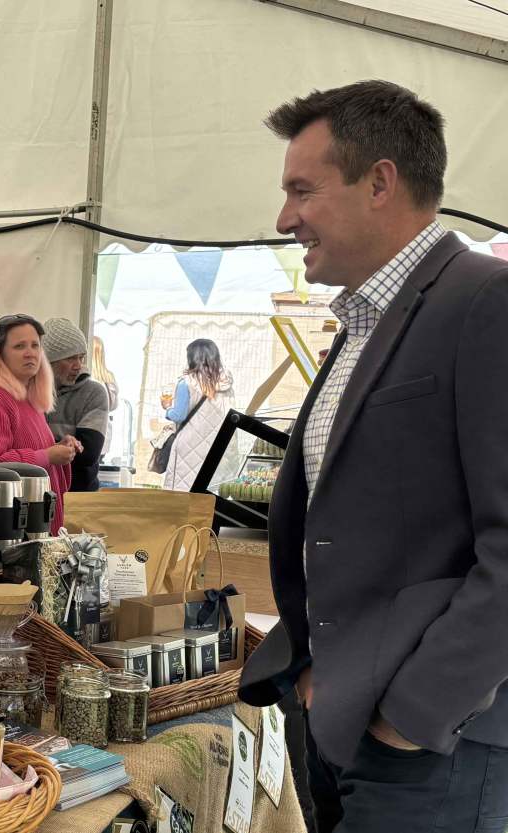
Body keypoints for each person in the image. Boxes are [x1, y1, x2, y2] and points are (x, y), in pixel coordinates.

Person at [238, 80, 508, 832]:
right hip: (347, 726)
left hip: (435, 747)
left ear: (381, 181)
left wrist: (412, 717)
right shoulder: (365, 321)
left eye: (302, 189)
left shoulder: (488, 301)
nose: (284, 217)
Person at [0, 314, 75, 534]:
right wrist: (47, 456)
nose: (30, 353)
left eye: (35, 345)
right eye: (19, 346)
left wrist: (61, 450)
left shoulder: (29, 400)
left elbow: (39, 461)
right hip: (2, 536)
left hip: (30, 528)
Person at [40, 318, 112, 492]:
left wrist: (41, 452)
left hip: (78, 497)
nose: (78, 365)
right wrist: (56, 448)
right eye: (71, 358)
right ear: (50, 361)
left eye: (81, 357)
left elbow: (87, 453)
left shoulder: (94, 393)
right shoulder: (28, 392)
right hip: (37, 494)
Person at [160, 339, 235, 491]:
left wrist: (167, 408)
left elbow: (179, 415)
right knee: (208, 499)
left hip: (188, 449)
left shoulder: (187, 383)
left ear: (192, 358)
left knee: (182, 497)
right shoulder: (226, 383)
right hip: (218, 447)